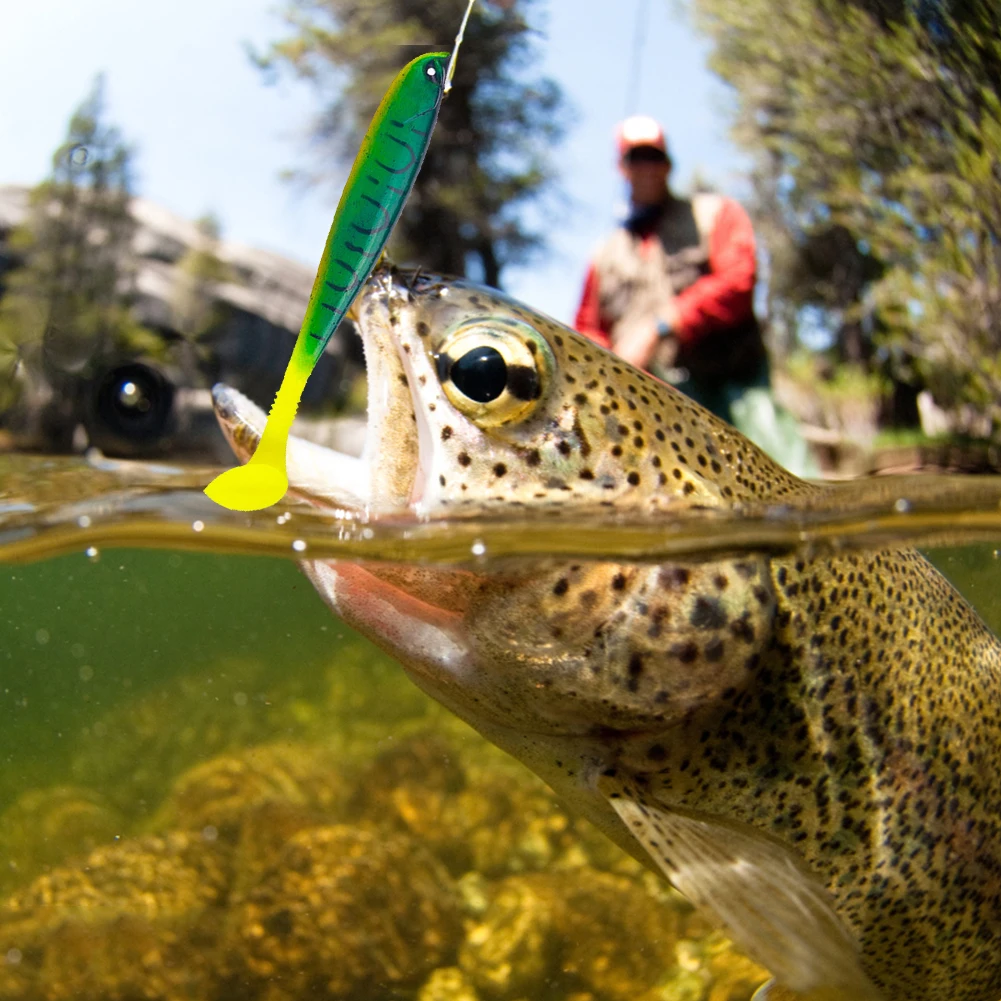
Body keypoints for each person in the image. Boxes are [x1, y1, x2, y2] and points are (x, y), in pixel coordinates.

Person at [575, 115, 816, 476]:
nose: (647, 168)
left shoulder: (716, 214)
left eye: (654, 157)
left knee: (787, 480)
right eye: (636, 158)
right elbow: (587, 329)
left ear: (669, 164)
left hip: (735, 389)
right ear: (622, 167)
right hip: (654, 412)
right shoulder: (603, 256)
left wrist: (662, 325)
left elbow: (738, 281)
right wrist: (612, 364)